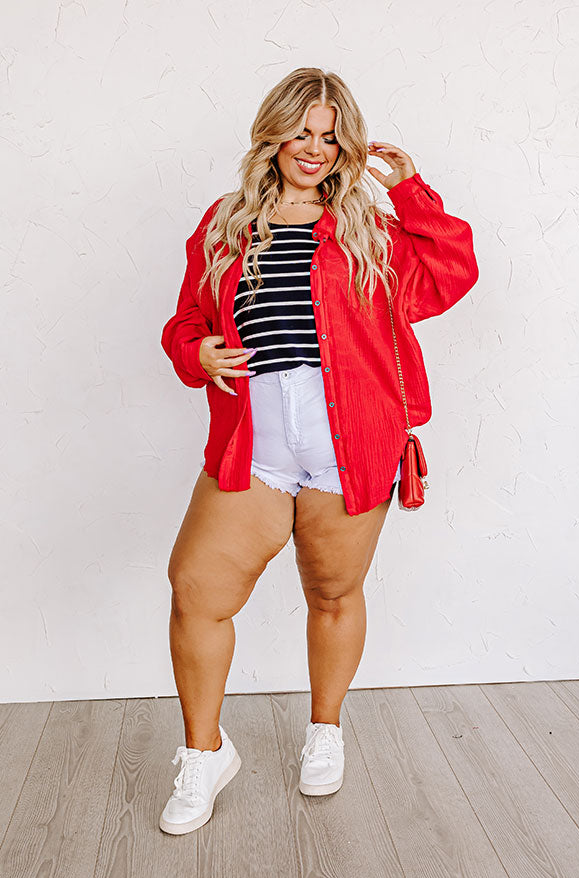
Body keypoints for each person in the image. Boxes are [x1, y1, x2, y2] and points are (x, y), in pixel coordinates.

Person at [159, 67, 479, 835]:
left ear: (347, 145)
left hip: (351, 447)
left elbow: (452, 273)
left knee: (334, 593)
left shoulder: (371, 228)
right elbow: (187, 320)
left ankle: (325, 730)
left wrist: (411, 192)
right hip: (254, 447)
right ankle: (204, 753)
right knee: (196, 590)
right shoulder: (226, 223)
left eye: (330, 136)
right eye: (301, 131)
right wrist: (195, 352)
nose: (314, 148)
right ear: (273, 134)